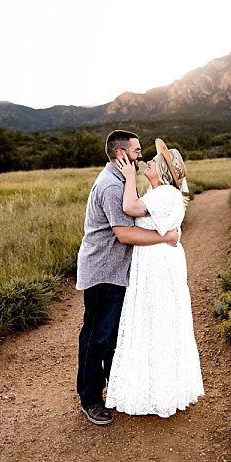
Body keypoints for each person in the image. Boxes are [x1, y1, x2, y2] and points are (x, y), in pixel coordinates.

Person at [75, 130, 181, 427]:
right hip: (104, 270)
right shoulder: (111, 186)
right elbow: (124, 233)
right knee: (98, 337)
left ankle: (115, 390)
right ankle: (90, 399)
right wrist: (165, 236)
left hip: (118, 271)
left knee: (114, 336)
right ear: (122, 154)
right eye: (136, 151)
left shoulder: (124, 182)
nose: (140, 156)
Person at [106, 140, 204, 418]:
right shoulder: (161, 192)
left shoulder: (164, 195)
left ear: (161, 170)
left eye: (153, 160)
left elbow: (130, 208)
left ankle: (158, 393)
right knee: (156, 320)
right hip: (156, 258)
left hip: (157, 263)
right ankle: (155, 388)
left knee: (156, 320)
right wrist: (165, 235)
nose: (147, 161)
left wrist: (127, 178)